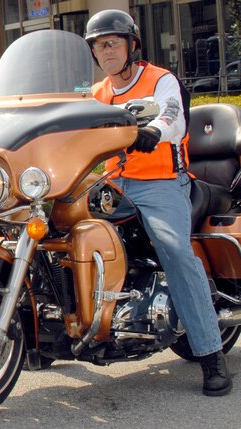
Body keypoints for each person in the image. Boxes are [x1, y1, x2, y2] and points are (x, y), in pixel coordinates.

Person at [86, 9, 231, 396]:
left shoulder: (159, 79)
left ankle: (210, 353)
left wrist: (153, 130)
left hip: (161, 182)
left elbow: (173, 116)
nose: (107, 50)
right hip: (113, 184)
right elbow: (75, 126)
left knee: (173, 249)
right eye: (100, 45)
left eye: (113, 42)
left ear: (133, 45)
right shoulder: (98, 93)